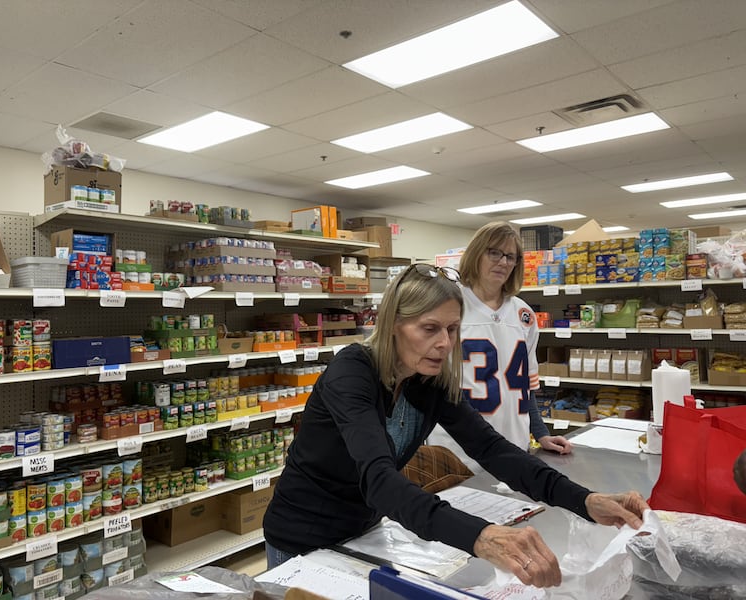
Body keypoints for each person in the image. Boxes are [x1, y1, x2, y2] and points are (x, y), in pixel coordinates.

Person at [262, 262, 649, 588]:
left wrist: (583, 500)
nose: (445, 343)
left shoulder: (428, 380)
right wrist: (479, 536)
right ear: (393, 324)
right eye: (429, 329)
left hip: (363, 534)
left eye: (452, 329)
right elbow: (378, 478)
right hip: (302, 538)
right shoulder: (352, 373)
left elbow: (493, 450)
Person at [429, 222, 571, 467]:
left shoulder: (523, 314)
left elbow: (525, 386)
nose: (503, 262)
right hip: (457, 450)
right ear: (476, 254)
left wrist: (541, 433)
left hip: (514, 446)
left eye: (511, 256)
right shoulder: (449, 305)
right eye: (494, 252)